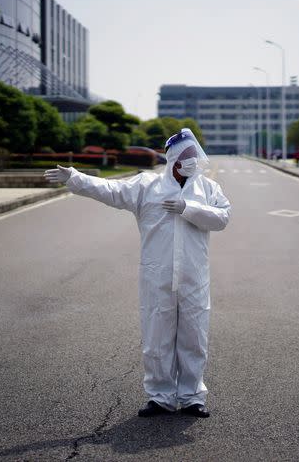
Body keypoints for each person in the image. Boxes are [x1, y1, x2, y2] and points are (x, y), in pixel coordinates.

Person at [43, 128, 231, 418]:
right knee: (157, 337)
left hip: (194, 276)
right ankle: (160, 397)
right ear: (174, 159)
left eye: (195, 155)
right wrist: (75, 178)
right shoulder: (148, 186)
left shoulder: (207, 189)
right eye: (188, 155)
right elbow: (111, 190)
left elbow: (222, 218)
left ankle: (193, 397)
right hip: (158, 276)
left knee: (194, 337)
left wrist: (187, 208)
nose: (193, 160)